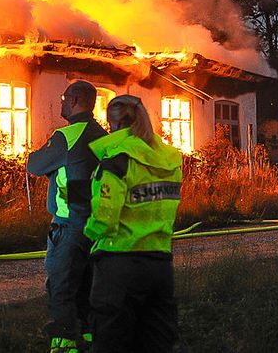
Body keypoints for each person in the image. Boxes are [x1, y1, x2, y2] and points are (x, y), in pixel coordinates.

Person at [85, 95, 183, 353]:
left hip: (119, 265)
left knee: (111, 342)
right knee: (156, 343)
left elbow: (105, 217)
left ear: (113, 124)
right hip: (160, 265)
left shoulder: (117, 159)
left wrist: (88, 236)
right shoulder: (170, 160)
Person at [27, 81, 108, 353]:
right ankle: (86, 336)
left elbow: (35, 165)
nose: (61, 102)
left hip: (68, 224)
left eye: (64, 98)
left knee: (61, 284)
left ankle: (63, 343)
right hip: (96, 225)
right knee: (87, 282)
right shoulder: (103, 136)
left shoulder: (67, 136)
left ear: (75, 100)